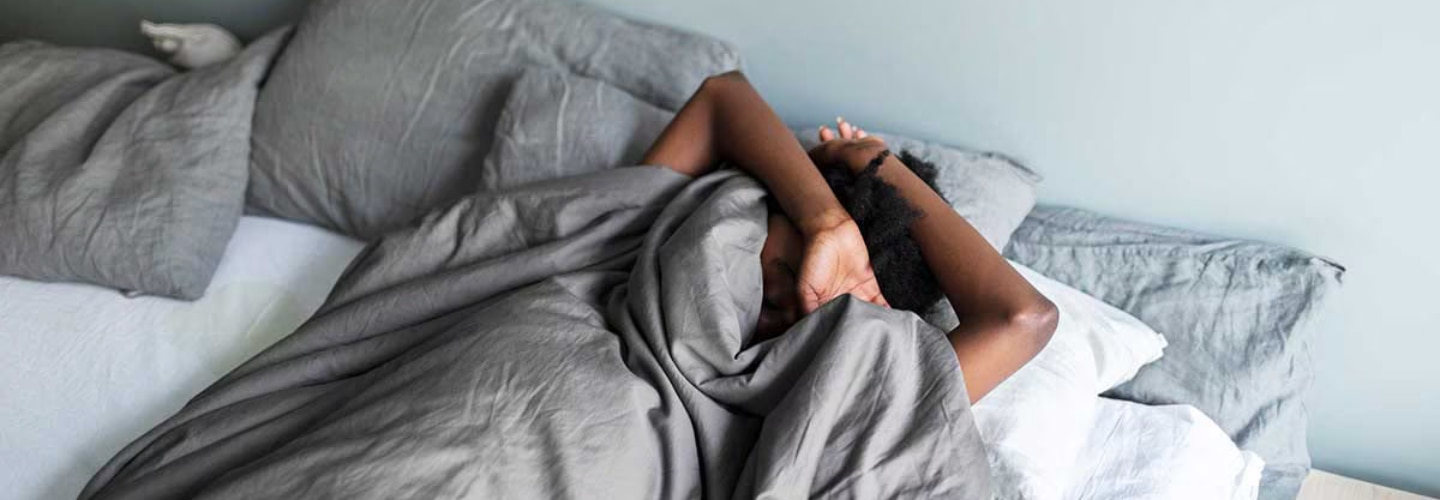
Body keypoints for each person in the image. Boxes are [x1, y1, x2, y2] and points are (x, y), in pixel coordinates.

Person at [642, 71, 1058, 403]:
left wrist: (875, 160)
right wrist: (826, 220)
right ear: (773, 209)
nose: (762, 326)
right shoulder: (650, 223)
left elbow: (1022, 319)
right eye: (769, 295)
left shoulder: (856, 398)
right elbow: (721, 96)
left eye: (803, 331)